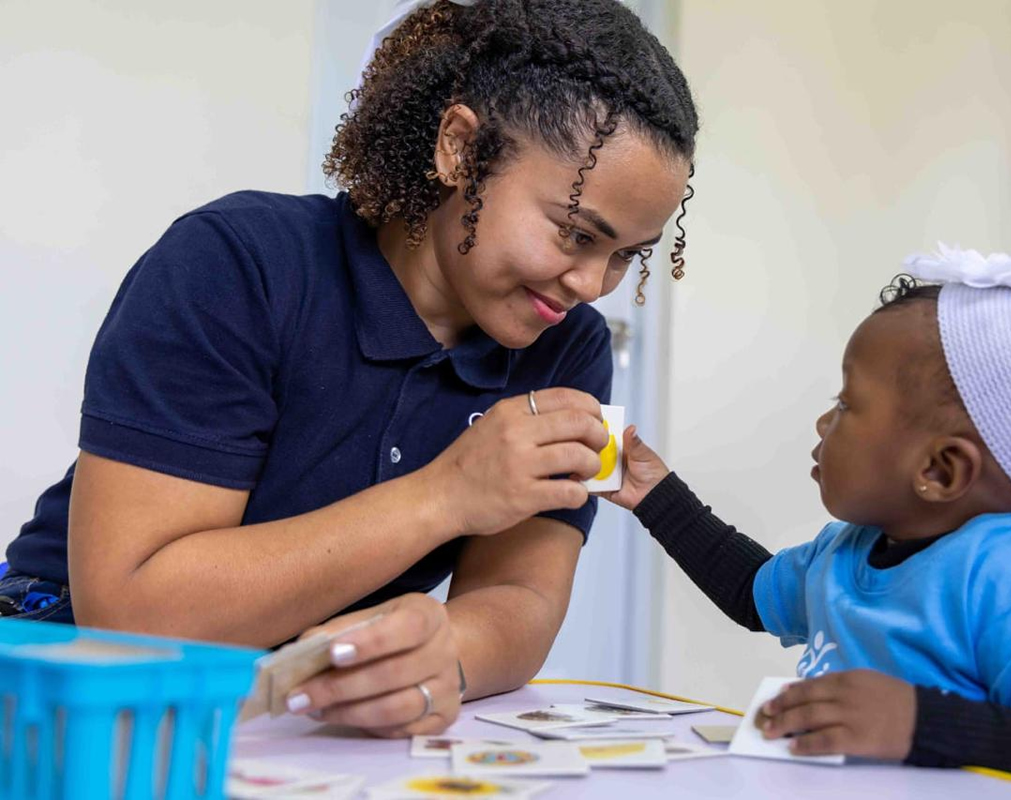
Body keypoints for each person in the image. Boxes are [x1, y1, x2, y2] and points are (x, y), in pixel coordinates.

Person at [0, 0, 698, 739]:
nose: (592, 285)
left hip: (291, 714)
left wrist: (443, 656)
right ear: (460, 149)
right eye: (574, 233)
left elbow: (521, 596)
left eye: (628, 255)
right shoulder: (233, 263)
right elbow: (133, 613)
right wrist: (445, 495)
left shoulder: (571, 348)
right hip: (70, 675)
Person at [605, 240, 1011, 795]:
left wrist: (916, 722)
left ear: (940, 469)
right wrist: (654, 493)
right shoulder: (846, 550)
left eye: (845, 404)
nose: (821, 421)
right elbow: (749, 591)